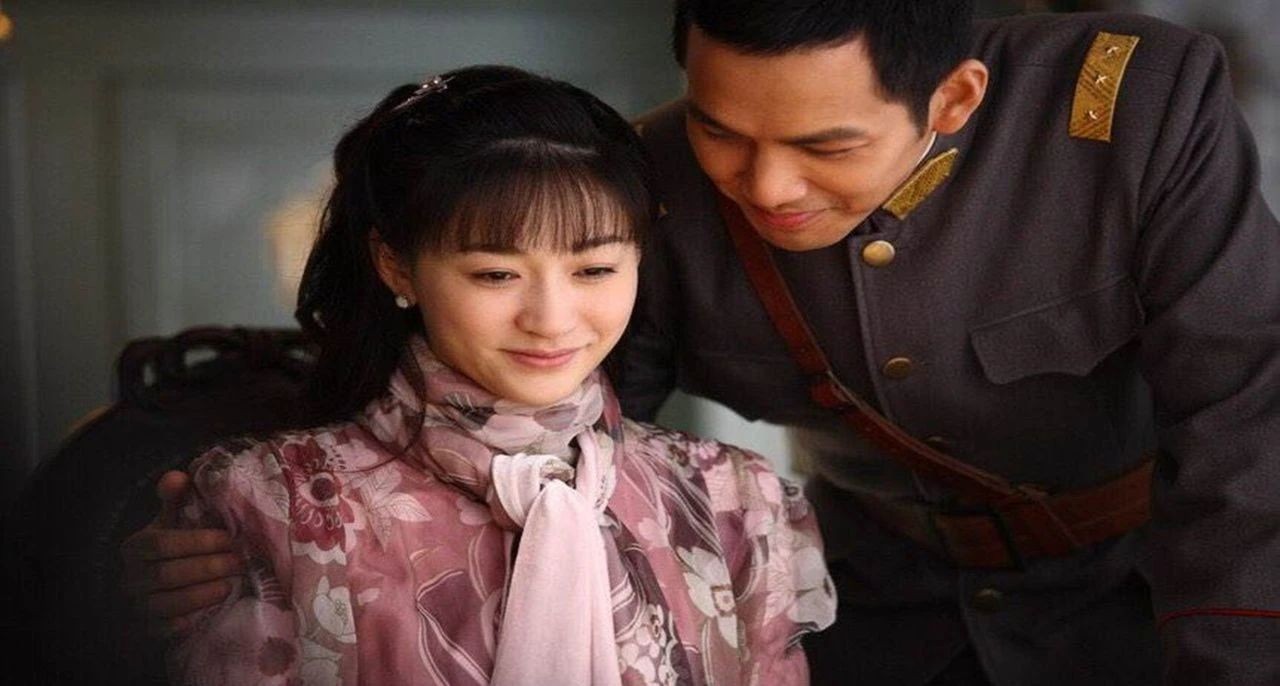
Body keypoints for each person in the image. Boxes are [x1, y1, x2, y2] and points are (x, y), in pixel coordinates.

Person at [126, 2, 1280, 684]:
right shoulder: (639, 188)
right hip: (873, 617)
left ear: (954, 100)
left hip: (1134, 601)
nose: (763, 187)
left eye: (824, 146)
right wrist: (251, 523)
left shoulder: (1129, 116)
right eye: (720, 130)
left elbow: (1245, 415)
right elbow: (538, 430)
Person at [154, 65, 834, 685]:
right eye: (496, 275)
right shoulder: (270, 503)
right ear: (396, 266)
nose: (551, 320)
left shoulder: (735, 500)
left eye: (595, 269)